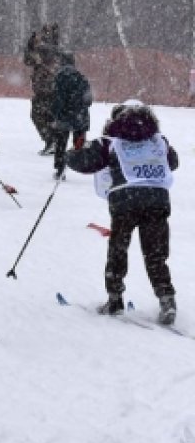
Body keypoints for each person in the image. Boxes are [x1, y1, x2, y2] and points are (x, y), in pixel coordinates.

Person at [65, 100, 179, 323]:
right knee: (156, 254)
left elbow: (84, 163)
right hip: (157, 200)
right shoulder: (159, 141)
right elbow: (173, 163)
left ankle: (115, 299)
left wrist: (74, 152)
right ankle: (167, 299)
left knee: (118, 249)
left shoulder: (109, 143)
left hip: (125, 202)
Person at [51, 52, 91, 181]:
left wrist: (55, 113)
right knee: (79, 142)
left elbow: (58, 99)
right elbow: (89, 99)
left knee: (61, 143)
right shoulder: (81, 77)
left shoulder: (60, 77)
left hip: (65, 115)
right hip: (80, 116)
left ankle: (60, 168)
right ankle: (81, 163)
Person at [23, 23, 61, 155]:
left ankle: (52, 142)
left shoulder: (45, 50)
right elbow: (29, 60)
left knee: (39, 115)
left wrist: (30, 47)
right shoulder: (57, 50)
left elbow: (29, 60)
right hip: (51, 90)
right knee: (50, 117)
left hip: (46, 90)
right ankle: (54, 143)